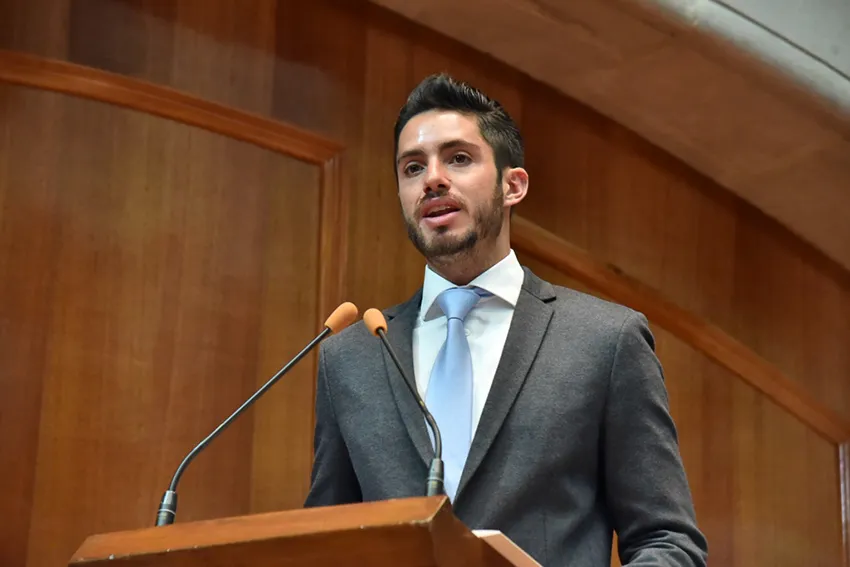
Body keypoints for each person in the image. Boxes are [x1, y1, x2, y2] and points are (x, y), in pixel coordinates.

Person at [304, 73, 708, 566]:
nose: (432, 179)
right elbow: (322, 545)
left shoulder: (604, 340)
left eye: (458, 158)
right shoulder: (353, 357)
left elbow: (668, 542)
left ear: (512, 185)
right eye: (412, 167)